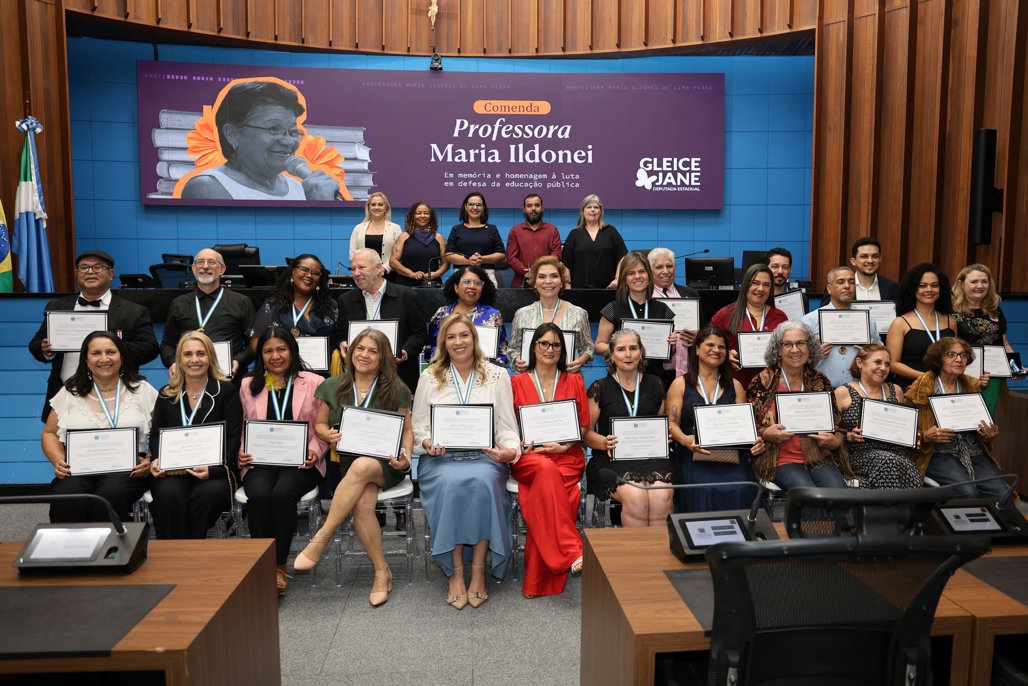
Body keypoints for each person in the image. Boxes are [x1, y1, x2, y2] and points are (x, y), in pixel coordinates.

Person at [294, 329, 414, 606]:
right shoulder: (333, 385)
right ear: (350, 352)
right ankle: (382, 571)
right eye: (360, 348)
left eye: (373, 351)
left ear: (382, 356)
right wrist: (327, 436)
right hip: (351, 462)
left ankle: (322, 536)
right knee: (362, 505)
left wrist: (405, 456)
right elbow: (320, 425)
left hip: (387, 462)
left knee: (362, 467)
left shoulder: (396, 388)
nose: (364, 355)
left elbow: (407, 430)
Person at [412, 314, 520, 609]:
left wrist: (509, 452)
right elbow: (419, 426)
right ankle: (456, 573)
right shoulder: (429, 376)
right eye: (451, 337)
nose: (458, 342)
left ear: (475, 339)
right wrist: (425, 443)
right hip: (441, 460)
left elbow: (508, 427)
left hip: (486, 457)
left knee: (484, 483)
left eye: (464, 336)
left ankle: (478, 571)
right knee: (452, 485)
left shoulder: (498, 375)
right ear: (443, 343)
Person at [238, 327, 327, 597]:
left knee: (281, 495)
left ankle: (277, 566)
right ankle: (261, 564)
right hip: (260, 461)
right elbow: (243, 427)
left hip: (301, 462)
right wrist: (241, 452)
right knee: (260, 494)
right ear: (260, 355)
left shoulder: (314, 382)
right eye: (268, 351)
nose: (275, 356)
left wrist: (315, 451)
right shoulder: (247, 384)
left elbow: (322, 426)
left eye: (281, 349)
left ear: (292, 350)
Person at [41, 331, 158, 523]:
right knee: (68, 495)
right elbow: (49, 433)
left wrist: (149, 459)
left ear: (121, 356)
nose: (104, 359)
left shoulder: (142, 389)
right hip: (79, 468)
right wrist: (59, 461)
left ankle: (111, 549)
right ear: (86, 359)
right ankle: (70, 550)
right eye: (96, 353)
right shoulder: (71, 392)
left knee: (109, 495)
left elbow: (160, 432)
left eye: (111, 352)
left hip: (127, 469)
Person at [29, 250, 159, 422]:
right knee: (60, 445)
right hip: (66, 394)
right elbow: (35, 344)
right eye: (84, 268)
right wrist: (45, 349)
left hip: (117, 396)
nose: (90, 272)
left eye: (98, 267)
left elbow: (150, 348)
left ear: (111, 274)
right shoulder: (57, 306)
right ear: (76, 273)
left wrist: (115, 348)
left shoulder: (133, 311)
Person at [510, 324, 591, 597]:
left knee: (554, 495)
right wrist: (520, 443)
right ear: (533, 347)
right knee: (549, 478)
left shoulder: (575, 381)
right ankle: (573, 551)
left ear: (562, 350)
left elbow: (582, 427)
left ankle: (538, 582)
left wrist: (564, 445)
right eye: (544, 343)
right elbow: (508, 428)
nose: (549, 349)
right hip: (530, 457)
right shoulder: (515, 382)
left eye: (556, 345)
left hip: (566, 455)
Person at [179, 79, 341, 201]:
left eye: (292, 131)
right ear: (233, 134)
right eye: (273, 129)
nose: (288, 142)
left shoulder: (301, 189)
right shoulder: (206, 187)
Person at [149, 331, 243, 539]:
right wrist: (157, 460)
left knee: (207, 495)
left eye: (201, 354)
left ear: (210, 358)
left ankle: (191, 550)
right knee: (168, 495)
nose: (194, 360)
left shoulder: (226, 392)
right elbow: (156, 435)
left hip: (214, 471)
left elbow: (233, 436)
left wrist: (214, 469)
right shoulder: (166, 393)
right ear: (179, 360)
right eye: (188, 354)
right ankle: (173, 552)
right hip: (174, 471)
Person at [667, 326, 763, 513]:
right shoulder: (680, 384)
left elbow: (745, 427)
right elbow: (672, 424)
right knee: (703, 488)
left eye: (721, 347)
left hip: (730, 455)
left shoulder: (735, 386)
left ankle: (742, 540)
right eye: (710, 345)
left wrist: (756, 441)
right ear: (696, 349)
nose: (716, 350)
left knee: (744, 487)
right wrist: (686, 440)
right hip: (693, 453)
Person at [746, 321, 852, 491]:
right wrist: (766, 433)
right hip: (779, 459)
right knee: (808, 494)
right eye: (787, 344)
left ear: (809, 347)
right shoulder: (763, 381)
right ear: (778, 350)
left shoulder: (820, 380)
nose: (795, 350)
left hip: (818, 456)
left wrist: (834, 441)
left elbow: (838, 425)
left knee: (839, 493)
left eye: (801, 343)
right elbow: (749, 424)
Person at [585, 328, 673, 527]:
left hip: (651, 458)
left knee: (662, 495)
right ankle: (637, 556)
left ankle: (659, 556)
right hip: (610, 459)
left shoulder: (656, 384)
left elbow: (662, 421)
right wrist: (602, 442)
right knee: (637, 496)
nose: (628, 354)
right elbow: (586, 433)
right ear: (612, 355)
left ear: (641, 352)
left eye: (633, 348)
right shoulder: (600, 387)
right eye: (621, 349)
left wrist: (664, 436)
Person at [904, 337, 1003, 498]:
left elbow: (982, 429)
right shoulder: (917, 390)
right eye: (951, 354)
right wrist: (926, 437)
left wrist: (988, 435)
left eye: (963, 355)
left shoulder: (972, 387)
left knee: (1001, 492)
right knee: (967, 492)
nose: (959, 359)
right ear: (938, 359)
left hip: (973, 451)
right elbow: (905, 436)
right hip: (936, 453)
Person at [337, 248, 428, 397]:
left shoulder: (406, 296)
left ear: (379, 268)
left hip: (398, 375)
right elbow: (339, 334)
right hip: (360, 376)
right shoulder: (345, 300)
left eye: (361, 267)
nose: (356, 273)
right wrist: (342, 343)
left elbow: (420, 333)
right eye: (353, 269)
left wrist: (405, 352)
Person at [834, 344, 921, 490]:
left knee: (905, 464)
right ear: (860, 363)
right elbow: (831, 431)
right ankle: (892, 510)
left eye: (887, 364)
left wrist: (913, 435)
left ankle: (904, 511)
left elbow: (904, 425)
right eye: (878, 362)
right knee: (888, 462)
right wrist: (849, 435)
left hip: (897, 453)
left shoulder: (896, 390)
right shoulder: (844, 392)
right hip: (860, 454)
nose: (883, 368)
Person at [160, 248, 256, 377]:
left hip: (229, 379)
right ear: (193, 268)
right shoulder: (179, 303)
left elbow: (253, 344)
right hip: (189, 378)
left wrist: (238, 361)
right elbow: (167, 344)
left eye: (212, 262)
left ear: (222, 269)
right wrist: (172, 362)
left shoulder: (241, 302)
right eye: (200, 262)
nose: (205, 266)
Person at [594, 252, 677, 389]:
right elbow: (599, 345)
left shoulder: (662, 309)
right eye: (631, 273)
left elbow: (670, 351)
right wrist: (620, 350)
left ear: (648, 276)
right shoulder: (612, 309)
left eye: (642, 272)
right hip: (620, 379)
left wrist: (672, 345)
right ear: (624, 279)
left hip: (655, 380)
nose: (637, 276)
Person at [508, 256, 594, 374]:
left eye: (554, 276)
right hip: (531, 381)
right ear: (534, 282)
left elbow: (588, 348)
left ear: (562, 282)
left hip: (567, 380)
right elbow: (513, 349)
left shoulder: (579, 313)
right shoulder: (521, 314)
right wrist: (517, 359)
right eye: (542, 277)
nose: (548, 281)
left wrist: (581, 361)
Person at [952, 263, 1018, 411]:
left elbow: (1004, 343)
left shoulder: (995, 311)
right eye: (974, 281)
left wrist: (1016, 367)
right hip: (963, 375)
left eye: (984, 281)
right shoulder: (952, 312)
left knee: (987, 423)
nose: (980, 285)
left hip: (992, 376)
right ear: (961, 284)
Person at [709, 263, 788, 388]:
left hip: (770, 387)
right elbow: (708, 346)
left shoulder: (780, 317)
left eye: (766, 285)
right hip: (734, 385)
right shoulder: (725, 315)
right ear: (745, 285)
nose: (760, 289)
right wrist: (725, 354)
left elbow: (786, 350)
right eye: (755, 283)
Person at [801, 266, 881, 387]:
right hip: (821, 389)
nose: (847, 286)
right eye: (840, 282)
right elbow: (795, 359)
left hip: (859, 390)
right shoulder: (809, 320)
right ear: (829, 288)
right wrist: (814, 354)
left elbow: (881, 355)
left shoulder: (867, 319)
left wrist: (871, 351)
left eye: (851, 282)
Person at [248, 254, 340, 355]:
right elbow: (255, 344)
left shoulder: (331, 306)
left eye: (316, 273)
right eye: (304, 269)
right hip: (283, 368)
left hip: (323, 369)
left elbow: (341, 339)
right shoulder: (273, 305)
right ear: (293, 272)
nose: (309, 275)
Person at [886, 263, 956, 388]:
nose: (929, 290)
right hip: (911, 388)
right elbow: (893, 364)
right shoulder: (900, 323)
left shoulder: (950, 321)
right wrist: (925, 377)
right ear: (913, 289)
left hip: (945, 387)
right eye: (922, 286)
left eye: (934, 285)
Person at [425, 265, 509, 367]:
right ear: (456, 287)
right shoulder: (442, 314)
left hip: (484, 374)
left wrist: (490, 367)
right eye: (466, 282)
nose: (472, 286)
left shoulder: (493, 315)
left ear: (482, 289)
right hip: (448, 372)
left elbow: (503, 352)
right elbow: (430, 348)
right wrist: (450, 360)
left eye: (477, 283)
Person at [648, 247, 701, 377]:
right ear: (649, 270)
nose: (665, 271)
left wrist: (698, 338)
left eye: (669, 266)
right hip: (655, 370)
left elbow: (704, 327)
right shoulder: (645, 297)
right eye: (659, 267)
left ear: (675, 268)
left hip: (689, 368)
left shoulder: (691, 294)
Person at [561, 194, 627, 289]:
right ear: (583, 211)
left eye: (596, 207)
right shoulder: (574, 234)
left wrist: (617, 279)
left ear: (600, 212)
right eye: (589, 207)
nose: (592, 210)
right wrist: (567, 285)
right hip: (579, 290)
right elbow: (566, 262)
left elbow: (622, 257)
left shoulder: (611, 231)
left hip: (608, 289)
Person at [505, 193, 562, 288]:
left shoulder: (552, 230)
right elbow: (511, 258)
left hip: (547, 282)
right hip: (522, 281)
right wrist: (527, 272)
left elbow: (556, 254)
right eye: (529, 206)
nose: (533, 208)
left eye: (537, 205)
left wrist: (541, 272)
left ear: (542, 208)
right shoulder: (515, 231)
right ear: (524, 210)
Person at [389, 201, 448, 287]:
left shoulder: (439, 238)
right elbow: (393, 261)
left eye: (426, 213)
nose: (422, 216)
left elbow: (446, 262)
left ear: (430, 216)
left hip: (432, 286)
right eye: (418, 213)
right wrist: (411, 274)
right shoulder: (404, 236)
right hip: (406, 286)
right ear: (413, 216)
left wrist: (436, 273)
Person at [444, 192, 506, 268]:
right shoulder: (456, 229)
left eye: (479, 205)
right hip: (461, 274)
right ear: (465, 207)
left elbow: (502, 255)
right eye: (471, 204)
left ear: (483, 208)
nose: (475, 207)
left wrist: (482, 259)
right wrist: (469, 261)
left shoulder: (492, 229)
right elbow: (448, 254)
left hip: (486, 274)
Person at [349, 192, 403, 273]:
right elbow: (353, 254)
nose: (376, 207)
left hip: (390, 276)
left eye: (380, 204)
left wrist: (383, 268)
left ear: (386, 208)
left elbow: (398, 254)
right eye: (373, 204)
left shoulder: (395, 228)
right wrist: (364, 269)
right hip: (364, 276)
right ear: (369, 208)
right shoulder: (358, 228)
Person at [849, 237, 899, 301]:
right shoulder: (844, 287)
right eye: (864, 256)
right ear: (853, 261)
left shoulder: (893, 288)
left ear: (880, 259)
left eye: (875, 256)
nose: (870, 261)